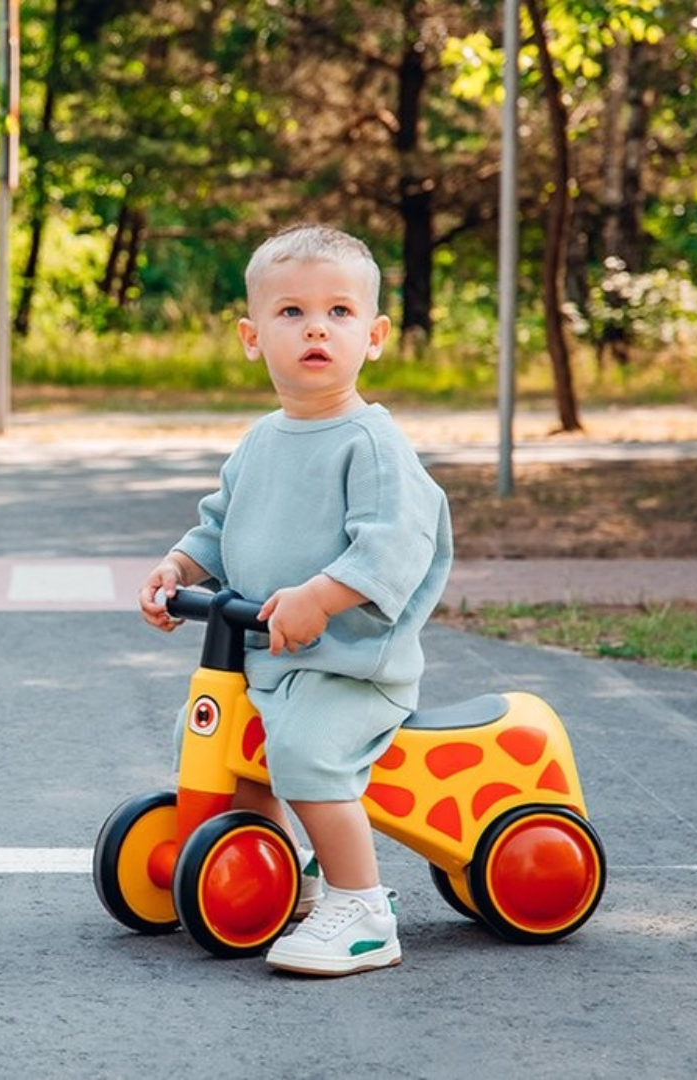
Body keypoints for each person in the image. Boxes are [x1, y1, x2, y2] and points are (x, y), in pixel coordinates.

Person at [139, 224, 452, 976]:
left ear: (374, 336)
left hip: (348, 666)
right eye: (292, 313)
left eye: (340, 312)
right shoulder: (261, 440)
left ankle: (362, 907)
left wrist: (323, 594)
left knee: (306, 753)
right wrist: (180, 566)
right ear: (252, 336)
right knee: (216, 740)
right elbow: (220, 525)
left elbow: (392, 548)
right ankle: (273, 868)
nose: (317, 326)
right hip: (266, 654)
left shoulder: (372, 443)